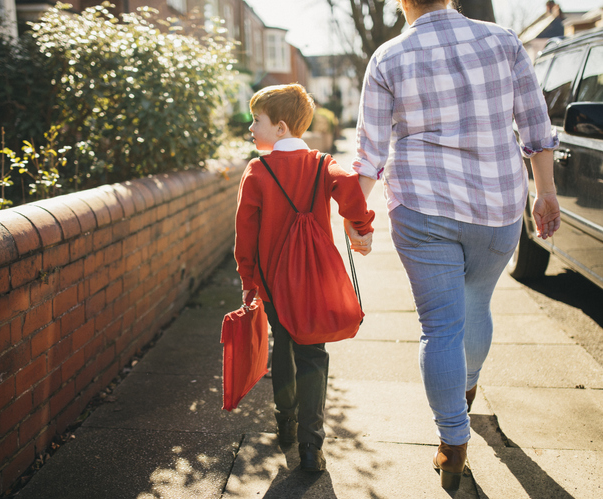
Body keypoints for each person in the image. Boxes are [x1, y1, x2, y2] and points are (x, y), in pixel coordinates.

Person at [345, 0, 561, 490]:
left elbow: (369, 150)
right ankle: (465, 391)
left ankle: (453, 442)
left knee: (441, 326)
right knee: (477, 301)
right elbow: (534, 122)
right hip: (498, 204)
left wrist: (357, 215)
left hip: (423, 206)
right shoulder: (503, 41)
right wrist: (544, 191)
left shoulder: (388, 57)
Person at [234, 84, 375, 472]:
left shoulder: (258, 171)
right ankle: (312, 446)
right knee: (314, 352)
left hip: (273, 282)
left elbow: (244, 231)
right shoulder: (321, 163)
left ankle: (285, 424)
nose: (250, 127)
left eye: (256, 120)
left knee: (283, 347)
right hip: (315, 280)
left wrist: (248, 279)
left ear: (280, 127)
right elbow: (348, 187)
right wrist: (361, 226)